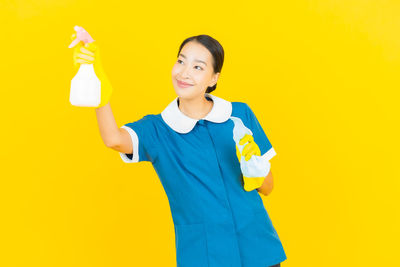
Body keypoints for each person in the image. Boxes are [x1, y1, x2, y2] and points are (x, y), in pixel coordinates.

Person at [72, 33, 287, 267]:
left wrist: (254, 166)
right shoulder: (157, 130)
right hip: (204, 256)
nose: (184, 73)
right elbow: (113, 139)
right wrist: (101, 92)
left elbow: (268, 187)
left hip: (259, 249)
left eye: (197, 67)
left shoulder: (239, 115)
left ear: (213, 78)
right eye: (181, 61)